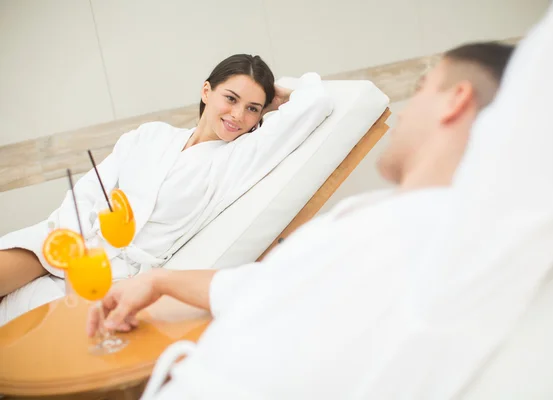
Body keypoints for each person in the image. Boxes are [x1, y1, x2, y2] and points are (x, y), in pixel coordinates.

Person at [89, 35, 517, 398]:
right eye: (231, 99)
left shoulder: (410, 237)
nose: (405, 110)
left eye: (422, 88)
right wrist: (159, 281)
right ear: (205, 91)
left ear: (456, 100)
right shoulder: (386, 220)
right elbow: (266, 286)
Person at [0, 54, 334, 325]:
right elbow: (90, 190)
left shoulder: (240, 157)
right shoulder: (151, 135)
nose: (237, 115)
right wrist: (72, 241)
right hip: (70, 239)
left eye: (253, 108)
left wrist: (281, 93)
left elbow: (316, 102)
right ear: (206, 91)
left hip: (116, 274)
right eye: (230, 98)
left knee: (23, 330)